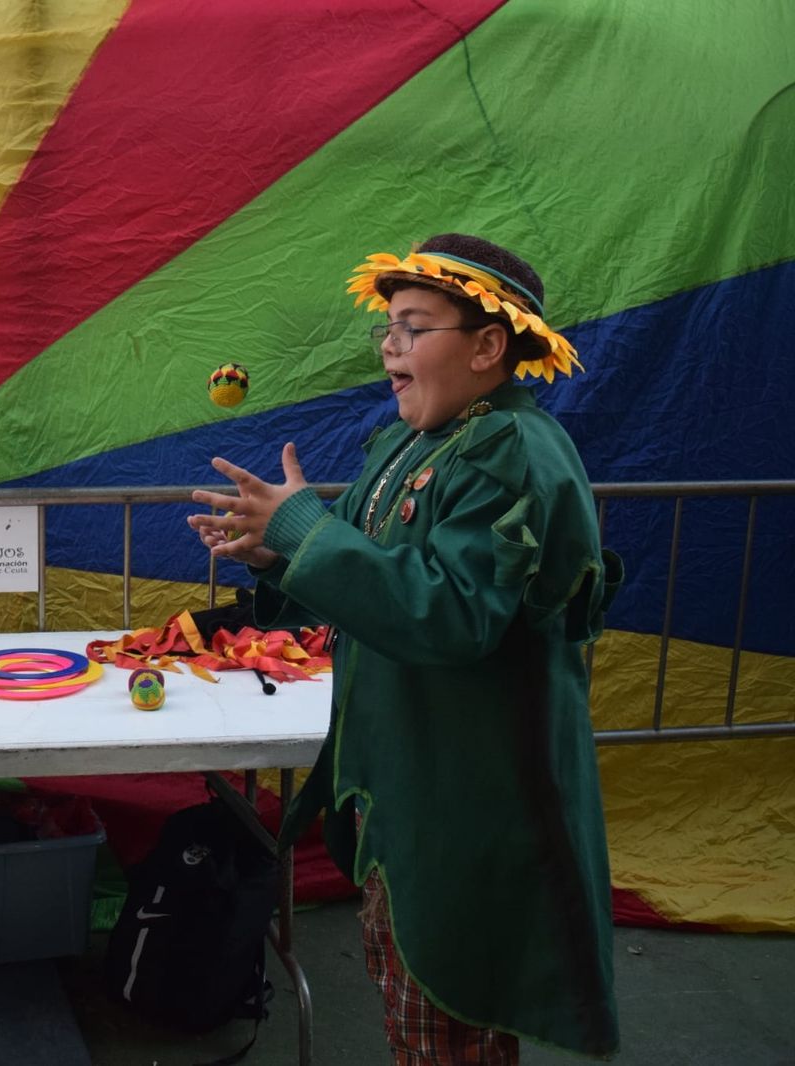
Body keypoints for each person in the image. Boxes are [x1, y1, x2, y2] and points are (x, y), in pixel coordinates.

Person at [189, 234, 622, 1062]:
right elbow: (363, 566)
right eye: (388, 326)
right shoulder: (408, 443)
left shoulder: (514, 453)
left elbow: (450, 614)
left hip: (471, 797)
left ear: (490, 344)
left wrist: (303, 529)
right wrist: (280, 550)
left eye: (414, 327)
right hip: (403, 789)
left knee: (451, 1019)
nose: (389, 345)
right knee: (410, 1000)